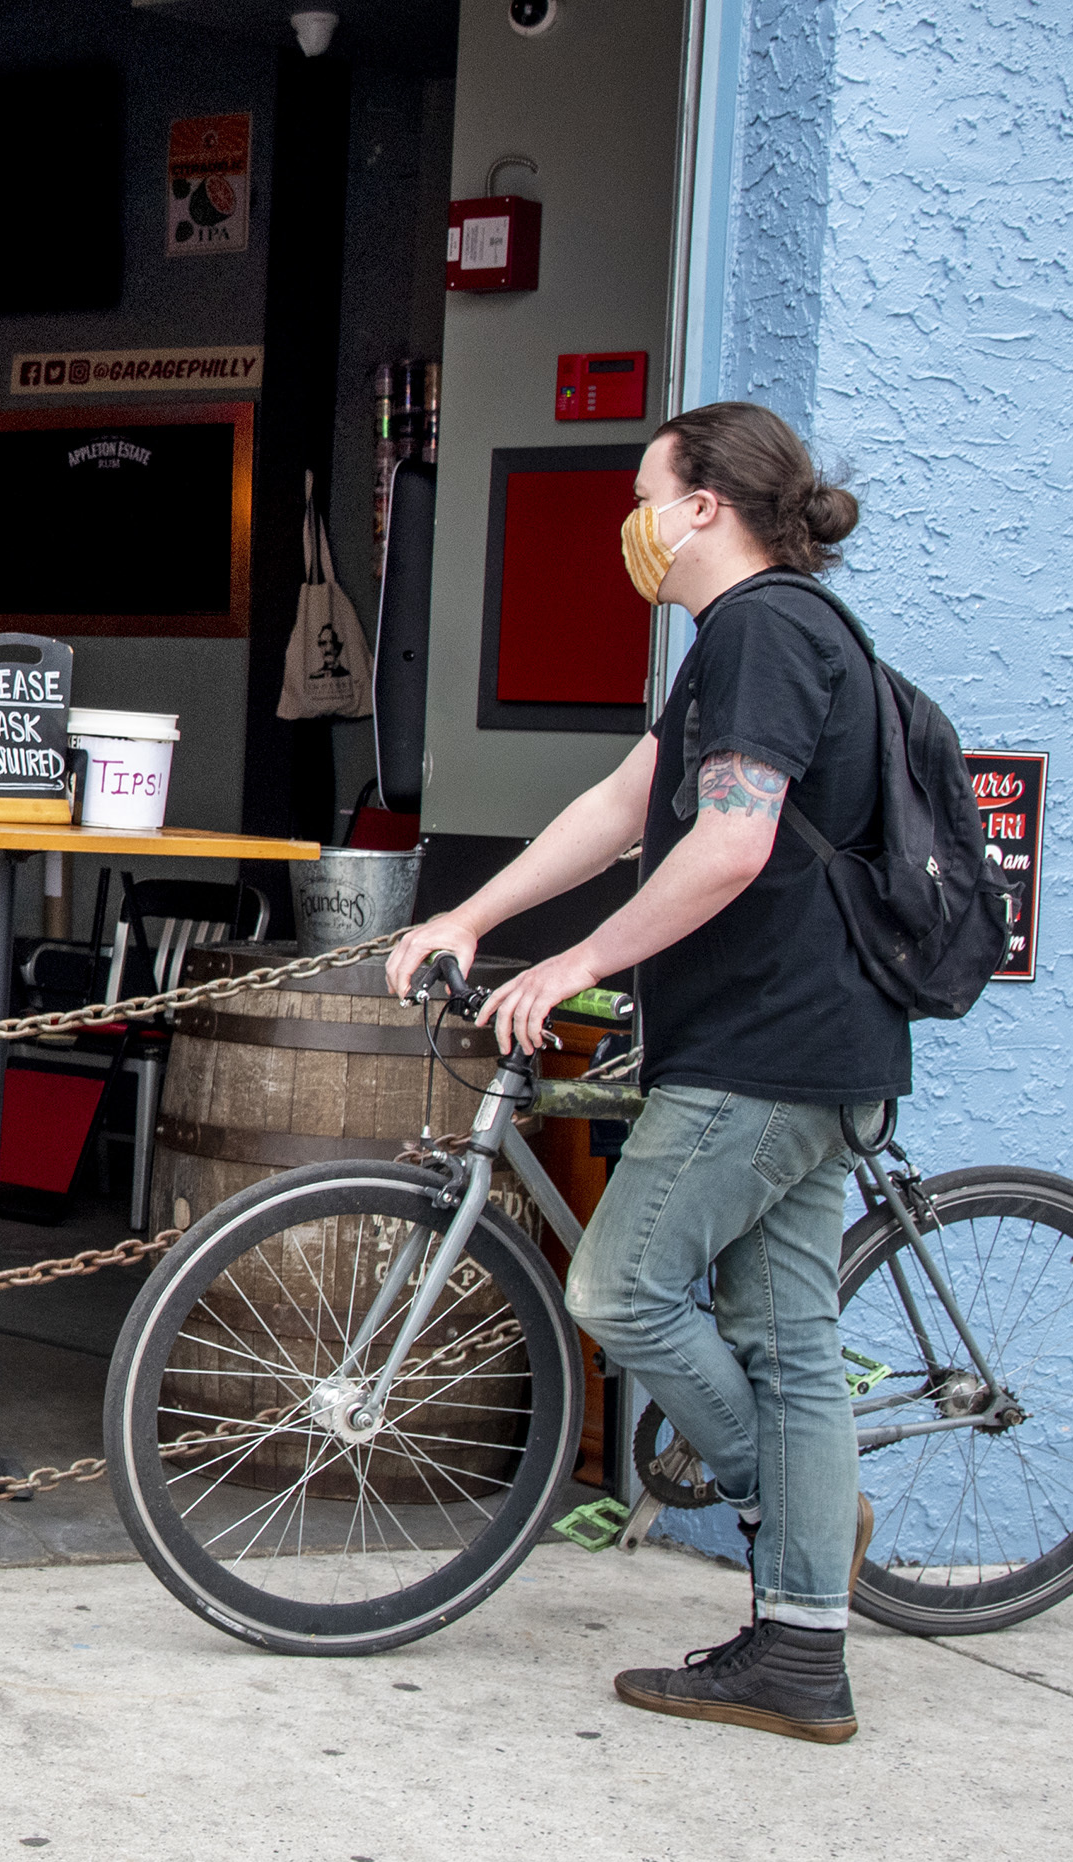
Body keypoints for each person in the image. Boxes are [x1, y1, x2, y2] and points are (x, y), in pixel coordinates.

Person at [384, 401, 893, 1744]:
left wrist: (569, 967)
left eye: (645, 493)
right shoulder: (740, 643)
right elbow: (624, 807)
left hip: (772, 1048)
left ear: (706, 505)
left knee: (617, 1286)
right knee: (787, 1343)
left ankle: (800, 1522)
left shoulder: (768, 634)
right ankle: (800, 1656)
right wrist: (476, 919)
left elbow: (731, 846)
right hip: (789, 1042)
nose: (635, 523)